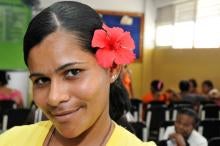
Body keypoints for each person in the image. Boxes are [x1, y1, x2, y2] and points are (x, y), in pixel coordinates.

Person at [0, 1, 155, 146]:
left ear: (112, 69)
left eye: (73, 72)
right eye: (41, 80)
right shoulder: (11, 141)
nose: (54, 98)